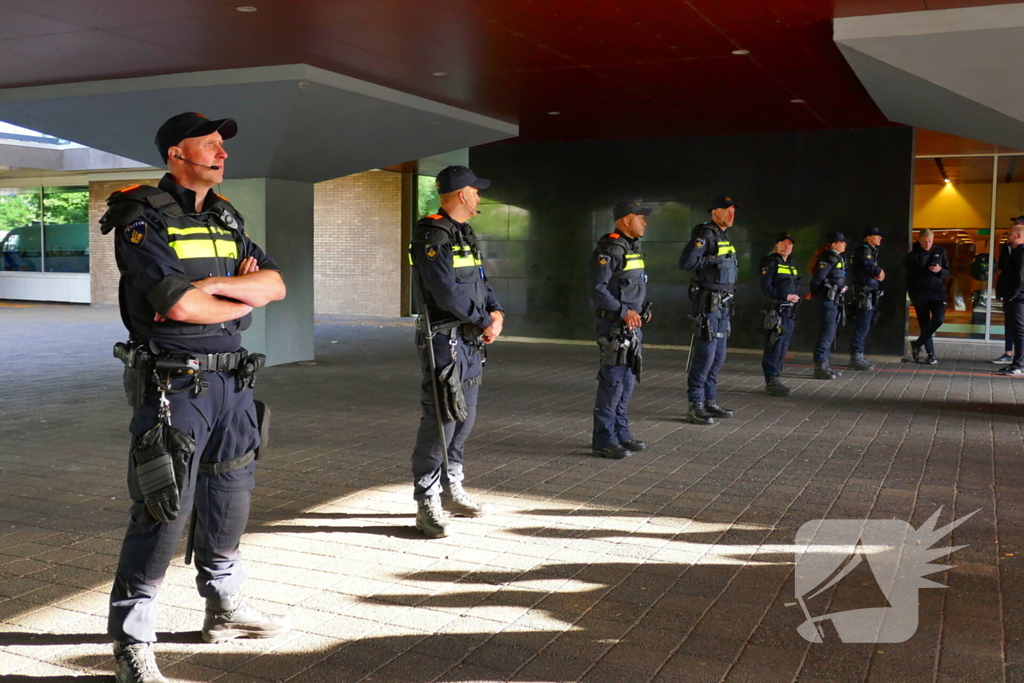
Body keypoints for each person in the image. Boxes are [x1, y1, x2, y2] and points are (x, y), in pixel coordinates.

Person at [100, 112, 288, 683]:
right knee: (164, 508)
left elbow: (276, 284)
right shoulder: (139, 214)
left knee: (230, 497)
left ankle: (224, 607)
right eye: (208, 144)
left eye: (222, 144)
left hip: (233, 384)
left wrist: (214, 288)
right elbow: (178, 307)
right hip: (173, 386)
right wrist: (239, 296)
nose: (221, 152)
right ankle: (131, 638)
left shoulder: (226, 214)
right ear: (175, 155)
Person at [408, 165, 504, 538]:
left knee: (465, 418)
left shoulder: (464, 233)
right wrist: (483, 319)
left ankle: (452, 487)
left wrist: (495, 312)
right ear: (462, 194)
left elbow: (481, 280)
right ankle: (427, 498)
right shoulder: (433, 233)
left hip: (470, 340)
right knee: (442, 420)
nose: (479, 197)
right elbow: (445, 293)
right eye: (476, 192)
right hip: (444, 341)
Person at [589, 200, 652, 459]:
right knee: (612, 383)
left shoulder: (631, 248)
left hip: (631, 327)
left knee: (626, 383)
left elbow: (635, 286)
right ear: (626, 220)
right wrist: (624, 312)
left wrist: (644, 309)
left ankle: (621, 434)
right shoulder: (610, 249)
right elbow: (598, 289)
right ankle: (604, 439)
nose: (645, 222)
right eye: (640, 217)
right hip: (615, 326)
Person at [679, 195, 739, 425]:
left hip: (723, 303)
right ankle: (696, 405)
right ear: (714, 212)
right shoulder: (704, 233)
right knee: (705, 355)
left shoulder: (722, 234)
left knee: (718, 355)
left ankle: (710, 400)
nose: (731, 214)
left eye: (733, 210)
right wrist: (712, 259)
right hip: (708, 303)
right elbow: (686, 263)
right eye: (727, 210)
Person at [760, 233, 801, 396]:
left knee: (783, 347)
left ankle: (777, 376)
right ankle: (771, 380)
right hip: (776, 310)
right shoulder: (770, 262)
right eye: (783, 243)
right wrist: (785, 296)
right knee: (774, 345)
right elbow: (766, 288)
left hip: (789, 310)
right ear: (776, 245)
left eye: (790, 244)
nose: (786, 246)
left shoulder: (790, 263)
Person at [905, 229, 949, 365]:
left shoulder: (940, 252)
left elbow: (947, 272)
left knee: (938, 319)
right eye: (925, 241)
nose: (928, 244)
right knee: (924, 325)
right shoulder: (913, 256)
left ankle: (917, 344)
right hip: (920, 295)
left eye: (930, 241)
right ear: (919, 240)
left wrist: (940, 270)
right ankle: (931, 354)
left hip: (938, 293)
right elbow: (909, 278)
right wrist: (912, 295)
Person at [809, 232, 849, 380]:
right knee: (826, 332)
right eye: (842, 242)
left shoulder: (836, 258)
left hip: (833, 299)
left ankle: (824, 365)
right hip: (827, 299)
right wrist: (815, 293)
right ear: (833, 244)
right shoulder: (829, 258)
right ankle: (820, 366)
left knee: (829, 332)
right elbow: (817, 279)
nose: (845, 244)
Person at [847, 227, 886, 371]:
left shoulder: (870, 251)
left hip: (870, 293)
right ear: (868, 238)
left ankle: (859, 355)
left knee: (866, 324)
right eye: (877, 236)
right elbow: (870, 267)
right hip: (864, 294)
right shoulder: (864, 250)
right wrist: (879, 271)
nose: (880, 238)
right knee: (862, 325)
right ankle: (856, 357)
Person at [992, 216, 1024, 364]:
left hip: (1017, 297)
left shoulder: (1021, 252)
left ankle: (1019, 363)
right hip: (1012, 296)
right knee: (1012, 327)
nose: (1007, 236)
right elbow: (1005, 271)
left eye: (1010, 233)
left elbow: (1020, 278)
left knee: (1019, 330)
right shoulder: (1012, 250)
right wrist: (1001, 293)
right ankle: (1012, 357)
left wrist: (1011, 295)